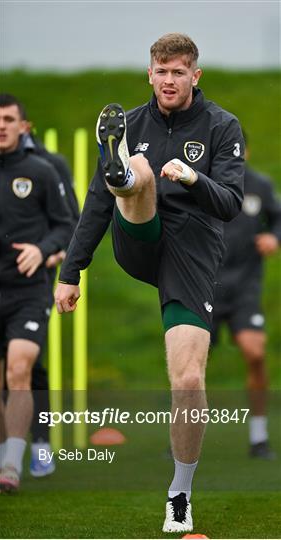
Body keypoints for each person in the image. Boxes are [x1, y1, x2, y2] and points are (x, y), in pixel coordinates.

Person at [55, 33, 244, 533]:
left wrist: (192, 178)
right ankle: (120, 170)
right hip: (139, 234)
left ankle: (179, 494)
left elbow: (230, 203)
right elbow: (94, 207)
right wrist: (70, 273)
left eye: (178, 72)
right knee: (133, 174)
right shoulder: (133, 123)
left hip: (192, 252)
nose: (168, 80)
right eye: (160, 71)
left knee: (187, 381)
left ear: (194, 76)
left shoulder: (222, 126)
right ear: (149, 74)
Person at [0, 94, 72, 492]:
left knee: (20, 370)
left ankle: (13, 464)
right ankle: (3, 455)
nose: (1, 125)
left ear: (23, 126)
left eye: (9, 119)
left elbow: (67, 225)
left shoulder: (42, 171)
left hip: (28, 289)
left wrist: (41, 249)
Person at [212, 134, 281, 459]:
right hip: (204, 284)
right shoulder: (203, 180)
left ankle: (258, 436)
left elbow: (278, 217)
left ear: (247, 151)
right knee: (190, 365)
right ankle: (180, 436)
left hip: (244, 286)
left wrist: (273, 237)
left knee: (255, 353)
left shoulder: (260, 185)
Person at [22, 122, 79, 477]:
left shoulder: (49, 164)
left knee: (27, 361)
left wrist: (55, 253)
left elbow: (72, 219)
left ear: (24, 125)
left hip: (33, 279)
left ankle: (40, 442)